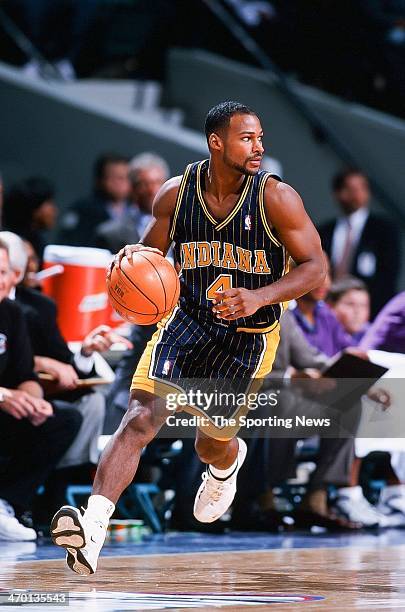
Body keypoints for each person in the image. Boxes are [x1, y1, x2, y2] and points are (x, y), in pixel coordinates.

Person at [51, 100, 326, 575]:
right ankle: (92, 529)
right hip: (187, 323)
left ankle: (226, 462)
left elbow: (316, 267)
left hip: (247, 339)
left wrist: (260, 297)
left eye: (260, 137)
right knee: (139, 417)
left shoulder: (277, 198)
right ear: (216, 142)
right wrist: (130, 267)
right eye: (247, 138)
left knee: (208, 444)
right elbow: (150, 257)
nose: (258, 147)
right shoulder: (176, 195)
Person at [0, 239, 82, 541]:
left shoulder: (12, 313)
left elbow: (25, 374)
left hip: (7, 410)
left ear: (12, 277)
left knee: (64, 418)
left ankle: (6, 502)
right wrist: (4, 396)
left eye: (3, 272)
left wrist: (33, 401)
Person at [318, 169, 400, 317]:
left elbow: (388, 276)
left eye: (363, 188)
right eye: (351, 189)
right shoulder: (325, 232)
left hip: (370, 313)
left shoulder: (384, 230)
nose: (358, 194)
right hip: (329, 310)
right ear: (338, 193)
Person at [58, 153, 133, 249]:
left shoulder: (136, 210)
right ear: (100, 180)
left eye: (126, 177)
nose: (123, 183)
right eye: (117, 178)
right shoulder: (83, 210)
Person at [292, 263, 353, 357]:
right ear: (293, 273)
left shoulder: (326, 314)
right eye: (315, 273)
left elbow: (348, 348)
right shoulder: (282, 315)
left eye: (328, 273)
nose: (325, 281)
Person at [2, 177, 57, 261]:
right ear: (35, 209)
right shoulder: (12, 244)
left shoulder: (38, 243)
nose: (54, 210)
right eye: (49, 203)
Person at [327, 276, 371, 344]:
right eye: (350, 304)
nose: (357, 311)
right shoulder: (322, 335)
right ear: (331, 306)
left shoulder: (371, 335)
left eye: (363, 305)